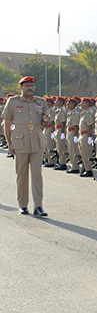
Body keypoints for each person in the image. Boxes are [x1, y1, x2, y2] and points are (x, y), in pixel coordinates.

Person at [2, 76, 51, 216]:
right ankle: (23, 204)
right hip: (20, 142)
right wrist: (9, 143)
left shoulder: (41, 102)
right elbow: (7, 123)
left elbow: (44, 123)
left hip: (37, 141)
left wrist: (45, 121)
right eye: (27, 85)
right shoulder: (13, 101)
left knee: (37, 175)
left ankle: (38, 206)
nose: (30, 88)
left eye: (32, 85)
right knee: (22, 175)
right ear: (21, 87)